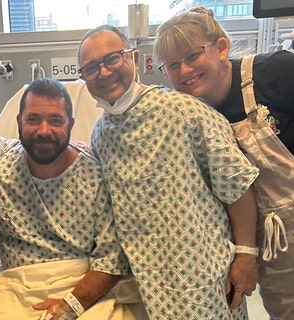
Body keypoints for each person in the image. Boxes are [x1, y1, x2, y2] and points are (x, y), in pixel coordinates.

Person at [153, 7, 294, 320]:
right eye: (172, 65)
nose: (185, 70)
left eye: (192, 56)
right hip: (276, 246)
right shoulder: (191, 118)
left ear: (221, 47)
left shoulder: (279, 73)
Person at [77, 25, 261, 320]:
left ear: (134, 59)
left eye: (113, 59)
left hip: (205, 281)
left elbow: (237, 186)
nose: (104, 72)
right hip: (147, 286)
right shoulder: (100, 134)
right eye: (90, 68)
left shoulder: (186, 111)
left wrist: (246, 255)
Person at [0, 77, 146, 320]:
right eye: (33, 119)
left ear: (71, 124)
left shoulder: (97, 178)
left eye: (55, 121)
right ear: (19, 122)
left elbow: (111, 262)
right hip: (14, 289)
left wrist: (70, 307)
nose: (43, 131)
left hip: (83, 290)